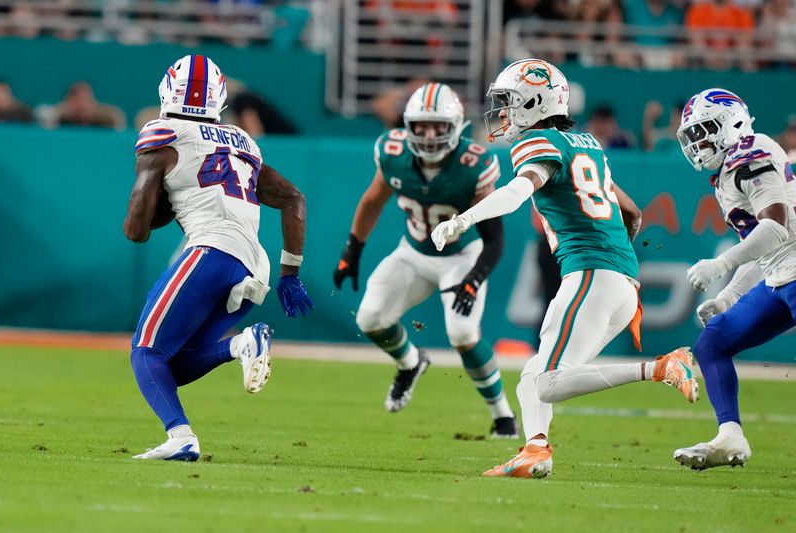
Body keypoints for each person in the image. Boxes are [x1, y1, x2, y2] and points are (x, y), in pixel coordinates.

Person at [431, 59, 698, 478]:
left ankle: (659, 367)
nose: (503, 112)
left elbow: (517, 193)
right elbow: (632, 213)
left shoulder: (538, 144)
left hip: (591, 275)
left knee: (547, 381)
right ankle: (536, 450)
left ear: (536, 102)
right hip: (621, 283)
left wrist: (463, 220)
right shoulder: (585, 144)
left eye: (510, 102)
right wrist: (614, 258)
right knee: (533, 375)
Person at [124, 54, 314, 462]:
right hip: (253, 265)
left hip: (212, 250)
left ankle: (181, 438)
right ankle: (241, 345)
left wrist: (161, 195)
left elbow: (136, 231)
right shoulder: (242, 140)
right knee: (170, 367)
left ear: (166, 89)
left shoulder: (161, 134)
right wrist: (291, 273)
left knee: (146, 352)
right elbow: (293, 198)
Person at [333, 82, 519, 438]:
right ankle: (410, 363)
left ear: (455, 126)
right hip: (414, 253)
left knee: (462, 332)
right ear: (408, 125)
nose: (430, 134)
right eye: (422, 125)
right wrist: (352, 250)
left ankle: (504, 417)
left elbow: (494, 240)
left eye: (438, 126)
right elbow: (372, 201)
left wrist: (473, 278)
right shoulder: (392, 152)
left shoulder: (474, 164)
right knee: (371, 317)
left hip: (461, 257)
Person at [672, 89, 796, 470]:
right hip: (781, 276)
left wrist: (720, 264)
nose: (698, 142)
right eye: (693, 135)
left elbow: (775, 226)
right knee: (713, 343)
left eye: (705, 130)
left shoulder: (750, 153)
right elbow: (764, 248)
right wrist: (728, 297)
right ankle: (730, 436)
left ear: (732, 124)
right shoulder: (728, 171)